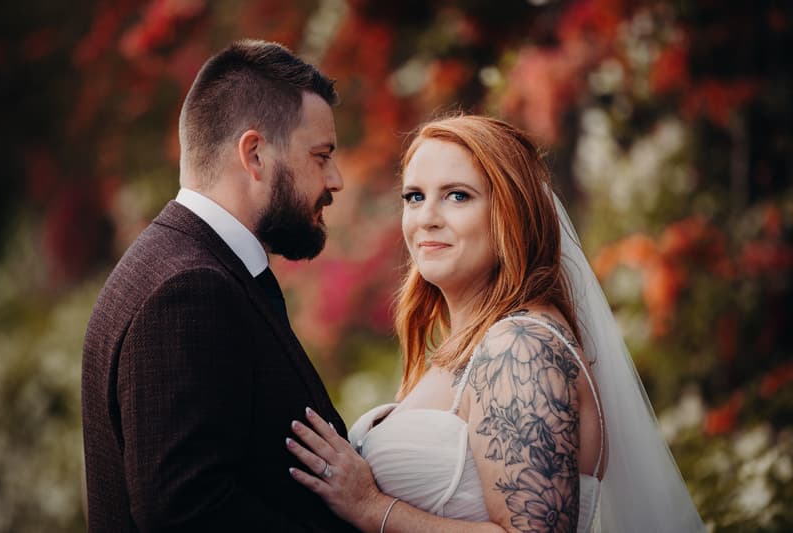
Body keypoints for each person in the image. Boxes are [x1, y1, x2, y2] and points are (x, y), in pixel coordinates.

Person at [285, 115, 705, 532]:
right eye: (414, 197)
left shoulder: (521, 346)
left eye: (458, 196)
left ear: (512, 211)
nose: (426, 216)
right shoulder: (471, 346)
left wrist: (371, 507)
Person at [81, 39, 358, 532]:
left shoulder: (188, 265)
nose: (335, 180)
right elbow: (188, 513)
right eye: (321, 156)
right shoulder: (188, 290)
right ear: (254, 154)